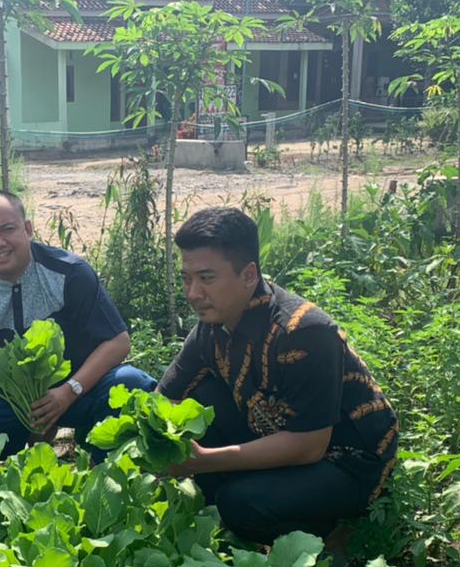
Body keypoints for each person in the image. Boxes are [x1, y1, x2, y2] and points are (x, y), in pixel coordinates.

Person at [157, 207, 398, 544]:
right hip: (272, 430)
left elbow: (309, 446)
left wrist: (204, 462)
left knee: (239, 504)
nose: (193, 292)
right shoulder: (211, 329)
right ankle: (243, 505)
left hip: (345, 459)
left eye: (207, 278)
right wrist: (145, 444)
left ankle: (333, 535)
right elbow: (165, 398)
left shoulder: (303, 331)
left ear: (249, 275)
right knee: (199, 402)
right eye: (186, 278)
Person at [0, 190, 155, 464]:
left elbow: (118, 341)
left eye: (7, 229)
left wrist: (69, 391)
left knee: (132, 383)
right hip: (17, 403)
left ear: (27, 229)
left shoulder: (69, 272)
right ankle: (29, 442)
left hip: (80, 388)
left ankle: (102, 461)